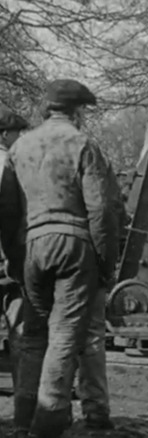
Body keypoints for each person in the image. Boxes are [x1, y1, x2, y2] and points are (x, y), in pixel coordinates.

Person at [10, 79, 122, 437]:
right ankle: (51, 417)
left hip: (32, 247)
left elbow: (9, 210)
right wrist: (105, 262)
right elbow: (102, 210)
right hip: (73, 245)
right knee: (65, 333)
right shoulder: (82, 143)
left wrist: (16, 258)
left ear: (47, 108)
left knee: (34, 334)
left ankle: (23, 413)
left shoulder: (19, 146)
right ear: (77, 111)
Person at [0, 108, 30, 438]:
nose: (19, 138)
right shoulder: (7, 164)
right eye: (16, 134)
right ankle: (24, 414)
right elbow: (10, 214)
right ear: (4, 135)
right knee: (20, 332)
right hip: (6, 262)